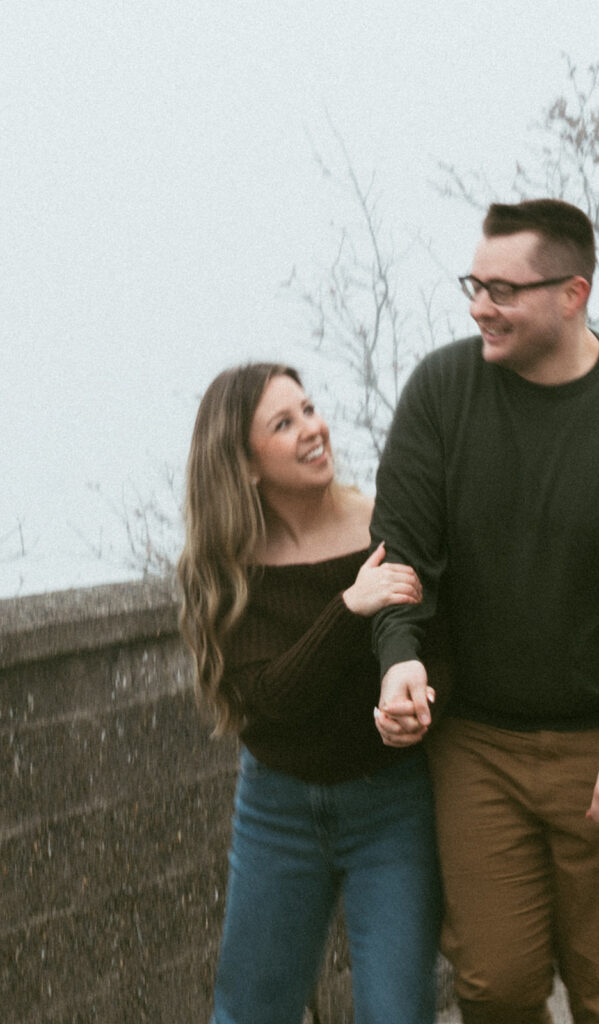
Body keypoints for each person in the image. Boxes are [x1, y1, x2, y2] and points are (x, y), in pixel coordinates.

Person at [370, 199, 599, 1024]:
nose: (478, 307)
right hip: (480, 747)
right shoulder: (441, 390)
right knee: (492, 987)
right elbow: (400, 557)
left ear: (572, 294)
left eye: (503, 289)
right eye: (473, 284)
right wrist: (399, 660)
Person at [177, 362, 442, 1024]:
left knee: (395, 1013)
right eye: (284, 422)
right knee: (249, 1013)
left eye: (310, 408)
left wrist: (413, 703)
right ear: (243, 464)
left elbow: (431, 646)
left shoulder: (387, 526)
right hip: (277, 811)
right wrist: (347, 607)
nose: (313, 429)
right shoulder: (223, 567)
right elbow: (269, 698)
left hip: (391, 805)